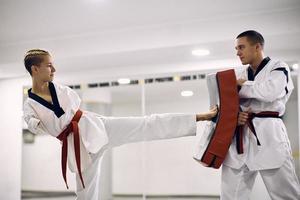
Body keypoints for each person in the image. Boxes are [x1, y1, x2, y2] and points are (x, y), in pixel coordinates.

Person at [23, 49, 218, 200]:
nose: (54, 69)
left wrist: (50, 122)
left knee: (146, 124)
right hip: (77, 146)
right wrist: (35, 122)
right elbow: (33, 124)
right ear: (35, 69)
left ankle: (199, 116)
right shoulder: (30, 105)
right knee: (84, 193)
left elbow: (72, 104)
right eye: (49, 65)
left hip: (95, 126)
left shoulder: (59, 89)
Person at [221, 30, 300, 199]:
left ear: (257, 47)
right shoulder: (239, 75)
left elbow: (270, 92)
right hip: (240, 138)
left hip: (269, 134)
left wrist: (241, 87)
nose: (237, 52)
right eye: (236, 48)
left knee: (285, 194)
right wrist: (236, 115)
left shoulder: (278, 67)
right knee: (231, 195)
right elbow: (226, 102)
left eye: (241, 47)